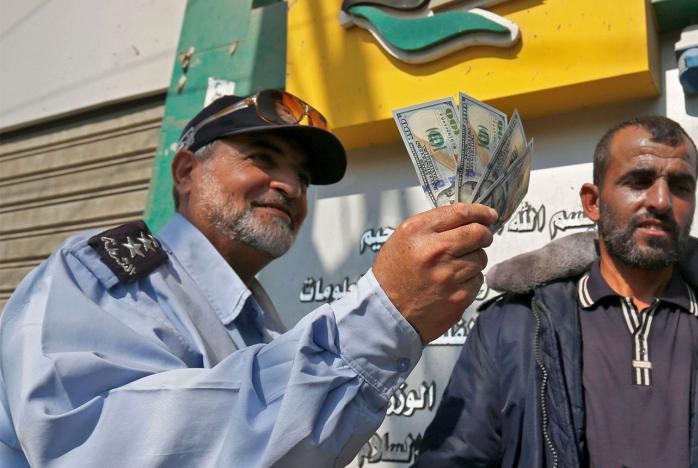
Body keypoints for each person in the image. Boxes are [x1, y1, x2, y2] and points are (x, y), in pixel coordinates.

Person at [0, 89, 497, 467]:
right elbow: (106, 449)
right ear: (186, 172)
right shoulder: (110, 275)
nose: (288, 186)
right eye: (262, 158)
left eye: (301, 178)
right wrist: (382, 317)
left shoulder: (259, 320)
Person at [414, 116, 698, 467]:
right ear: (592, 202)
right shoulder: (513, 327)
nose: (661, 200)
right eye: (639, 181)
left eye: (680, 186)